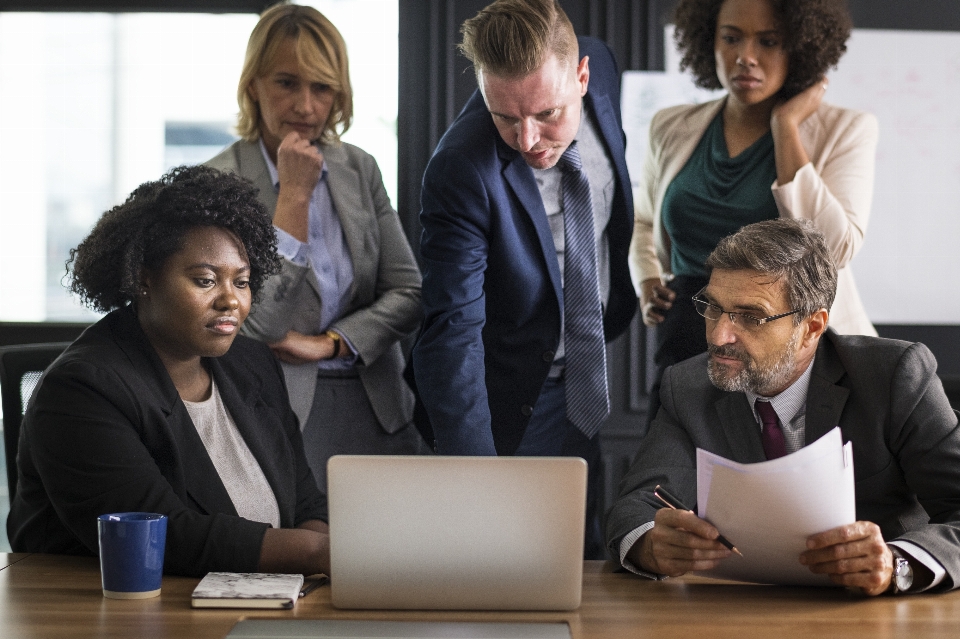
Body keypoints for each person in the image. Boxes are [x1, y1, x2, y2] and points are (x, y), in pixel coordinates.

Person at [607, 218, 960, 595]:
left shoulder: (893, 377)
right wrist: (650, 544)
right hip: (738, 611)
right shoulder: (689, 385)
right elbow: (638, 505)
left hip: (876, 613)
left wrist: (898, 564)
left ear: (811, 327)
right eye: (713, 308)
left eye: (751, 317)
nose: (719, 335)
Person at [7, 166, 330, 578]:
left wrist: (318, 570)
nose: (230, 300)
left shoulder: (253, 365)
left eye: (243, 282)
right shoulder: (82, 389)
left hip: (256, 604)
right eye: (205, 280)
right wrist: (315, 555)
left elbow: (306, 503)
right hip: (109, 614)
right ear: (144, 279)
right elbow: (165, 536)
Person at [413, 0, 636, 559]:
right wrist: (475, 479)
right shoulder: (460, 169)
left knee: (576, 558)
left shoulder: (602, 65)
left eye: (547, 113)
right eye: (506, 118)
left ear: (582, 76)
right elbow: (451, 329)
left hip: (585, 375)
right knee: (500, 564)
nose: (529, 139)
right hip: (505, 399)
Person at [206, 3, 427, 493]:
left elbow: (409, 292)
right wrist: (295, 196)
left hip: (378, 406)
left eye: (322, 87)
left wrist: (331, 342)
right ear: (254, 85)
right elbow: (259, 323)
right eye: (287, 82)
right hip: (276, 413)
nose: (306, 106)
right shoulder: (218, 182)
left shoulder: (359, 168)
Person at [631, 0, 878, 427]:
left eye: (768, 41)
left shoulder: (846, 129)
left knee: (782, 485)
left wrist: (786, 127)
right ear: (707, 40)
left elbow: (834, 251)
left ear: (800, 48)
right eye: (731, 38)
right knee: (668, 482)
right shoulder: (670, 126)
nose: (746, 56)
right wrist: (648, 278)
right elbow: (645, 219)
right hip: (691, 335)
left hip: (787, 344)